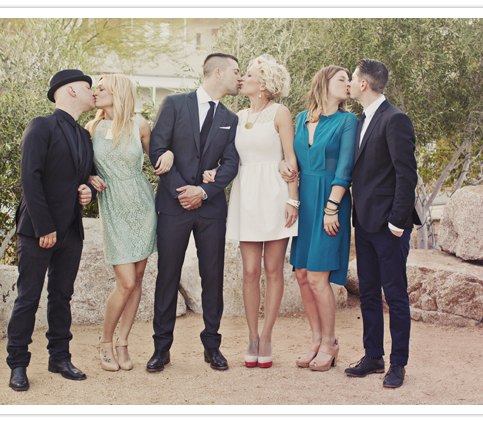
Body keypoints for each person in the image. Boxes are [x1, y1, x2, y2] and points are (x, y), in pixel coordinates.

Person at [147, 53, 241, 372]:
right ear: (218, 72)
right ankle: (161, 349)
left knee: (212, 276)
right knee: (167, 276)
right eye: (236, 71)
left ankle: (212, 346)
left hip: (211, 209)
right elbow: (157, 149)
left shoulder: (231, 118)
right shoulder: (174, 104)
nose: (239, 77)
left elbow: (231, 163)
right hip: (173, 206)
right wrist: (182, 191)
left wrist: (202, 192)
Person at [202, 54, 298, 369]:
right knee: (250, 271)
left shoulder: (280, 113)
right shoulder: (239, 115)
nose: (242, 78)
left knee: (273, 270)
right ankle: (252, 336)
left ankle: (267, 336)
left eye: (250, 74)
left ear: (265, 83)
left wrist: (293, 200)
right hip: (246, 196)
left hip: (275, 194)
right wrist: (215, 172)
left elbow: (290, 158)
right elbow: (234, 159)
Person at [6, 69, 98, 391]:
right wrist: (45, 227)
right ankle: (18, 364)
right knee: (28, 298)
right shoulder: (41, 125)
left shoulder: (84, 135)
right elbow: (29, 178)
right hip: (37, 230)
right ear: (71, 90)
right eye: (88, 87)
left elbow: (85, 177)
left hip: (71, 230)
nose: (93, 92)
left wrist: (88, 189)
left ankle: (59, 357)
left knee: (62, 296)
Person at [85, 74, 174, 371]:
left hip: (142, 205)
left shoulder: (140, 125)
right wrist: (88, 176)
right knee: (125, 282)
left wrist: (169, 153)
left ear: (118, 93)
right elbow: (79, 166)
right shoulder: (91, 128)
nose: (96, 92)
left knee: (137, 278)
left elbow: (157, 156)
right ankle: (105, 341)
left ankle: (123, 342)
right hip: (113, 205)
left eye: (102, 88)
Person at [344, 58, 420, 388]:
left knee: (395, 295)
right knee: (369, 294)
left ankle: (398, 364)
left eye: (352, 78)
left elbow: (406, 175)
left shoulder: (395, 119)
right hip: (363, 223)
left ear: (363, 84)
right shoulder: (361, 120)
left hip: (390, 227)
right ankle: (373, 356)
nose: (349, 84)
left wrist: (397, 223)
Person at [281, 65, 357, 372]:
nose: (348, 84)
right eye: (342, 79)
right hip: (305, 202)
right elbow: (291, 159)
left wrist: (331, 208)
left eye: (350, 80)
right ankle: (315, 341)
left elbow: (345, 169)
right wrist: (283, 167)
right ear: (324, 83)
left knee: (317, 276)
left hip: (330, 201)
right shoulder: (301, 118)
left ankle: (330, 343)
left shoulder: (348, 120)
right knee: (301, 274)